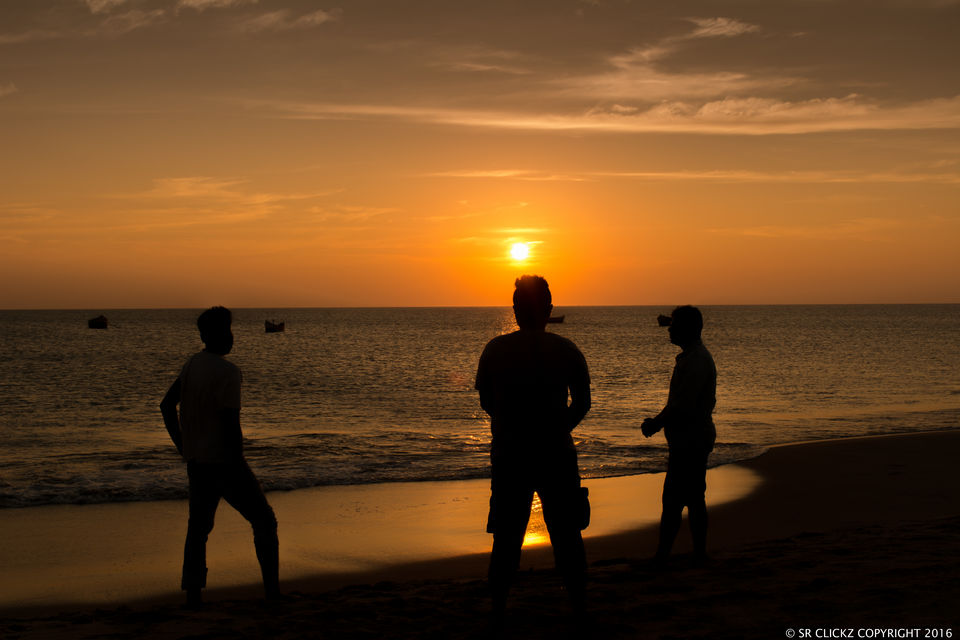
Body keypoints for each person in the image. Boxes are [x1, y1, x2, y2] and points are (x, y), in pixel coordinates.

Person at [475, 276, 592, 620]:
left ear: (515, 310)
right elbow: (583, 403)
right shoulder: (566, 350)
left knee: (507, 539)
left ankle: (498, 611)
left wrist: (513, 425)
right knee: (567, 536)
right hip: (556, 452)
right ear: (549, 309)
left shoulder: (496, 349)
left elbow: (486, 401)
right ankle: (579, 609)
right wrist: (557, 428)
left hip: (511, 454)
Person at [160, 306, 280, 606]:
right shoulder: (228, 373)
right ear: (208, 335)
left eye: (229, 331)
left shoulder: (192, 365)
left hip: (197, 463)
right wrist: (238, 463)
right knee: (264, 520)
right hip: (225, 463)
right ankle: (272, 593)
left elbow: (166, 406)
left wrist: (184, 448)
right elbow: (231, 424)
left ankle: (193, 595)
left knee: (198, 529)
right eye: (225, 331)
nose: (230, 337)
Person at [641, 305, 717, 566]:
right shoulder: (692, 358)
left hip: (691, 440)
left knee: (676, 499)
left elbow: (681, 405)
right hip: (690, 438)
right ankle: (695, 554)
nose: (669, 328)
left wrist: (655, 423)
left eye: (674, 324)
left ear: (688, 328)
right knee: (692, 497)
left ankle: (667, 556)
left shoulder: (696, 361)